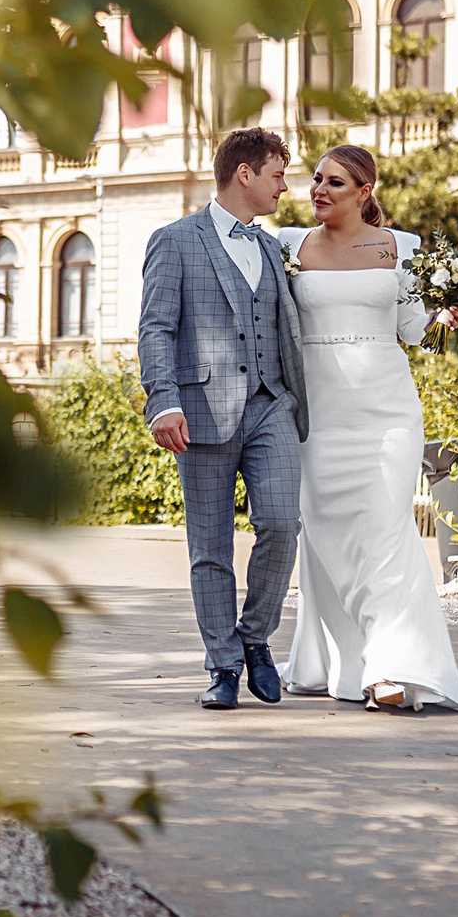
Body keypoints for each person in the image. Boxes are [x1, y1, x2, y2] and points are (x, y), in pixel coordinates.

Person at [270, 144, 458, 710]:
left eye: (335, 182)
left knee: (386, 530)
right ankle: (334, 660)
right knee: (326, 536)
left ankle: (390, 666)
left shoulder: (400, 247)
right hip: (317, 414)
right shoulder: (288, 245)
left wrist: (441, 317)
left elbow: (409, 329)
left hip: (386, 412)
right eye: (315, 179)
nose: (319, 190)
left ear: (364, 192)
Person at [137, 127, 309, 710]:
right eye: (278, 175)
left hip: (271, 405)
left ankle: (255, 638)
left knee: (283, 523)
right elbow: (156, 328)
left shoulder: (271, 248)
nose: (286, 186)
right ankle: (223, 665)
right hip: (202, 411)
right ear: (245, 173)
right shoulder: (174, 241)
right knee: (209, 548)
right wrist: (162, 400)